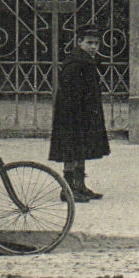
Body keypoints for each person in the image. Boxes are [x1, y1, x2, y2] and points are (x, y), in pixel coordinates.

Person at [49, 25, 111, 201]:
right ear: (79, 42)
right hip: (72, 114)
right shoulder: (74, 63)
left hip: (83, 113)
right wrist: (76, 113)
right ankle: (68, 189)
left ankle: (80, 186)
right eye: (89, 42)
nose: (93, 47)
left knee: (80, 149)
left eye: (97, 44)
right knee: (71, 150)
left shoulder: (87, 61)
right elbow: (69, 93)